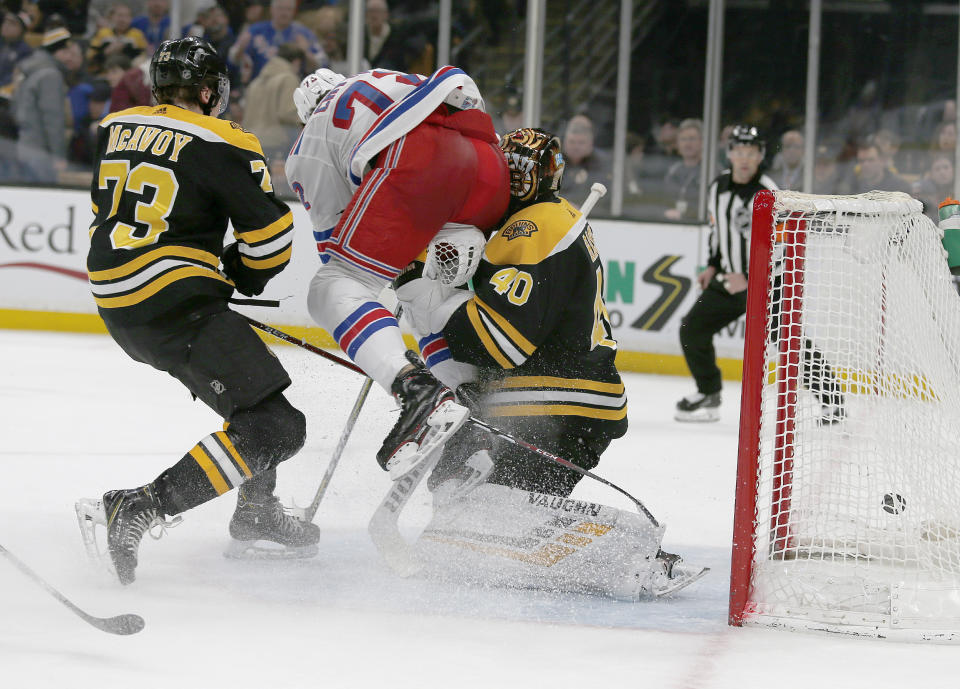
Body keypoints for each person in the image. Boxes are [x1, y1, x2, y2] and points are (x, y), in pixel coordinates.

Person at [388, 128, 702, 598]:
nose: (504, 183)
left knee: (458, 491)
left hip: (556, 399)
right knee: (495, 511)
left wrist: (423, 292)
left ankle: (630, 553)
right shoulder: (548, 218)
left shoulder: (532, 226)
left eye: (513, 174)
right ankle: (630, 556)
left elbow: (503, 342)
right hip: (579, 400)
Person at [75, 36, 319, 586]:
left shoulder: (115, 127)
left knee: (255, 399)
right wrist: (236, 277)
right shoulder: (225, 137)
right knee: (278, 427)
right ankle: (140, 505)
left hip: (117, 300)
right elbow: (273, 237)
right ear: (209, 90)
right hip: (173, 300)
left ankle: (256, 511)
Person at [285, 65, 510, 480]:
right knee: (423, 290)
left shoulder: (310, 141)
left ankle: (418, 393)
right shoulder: (381, 77)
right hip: (488, 168)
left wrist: (367, 292)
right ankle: (475, 401)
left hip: (422, 163)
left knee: (334, 287)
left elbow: (338, 251)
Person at [676, 125, 844, 423]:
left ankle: (832, 401)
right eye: (738, 151)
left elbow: (780, 245)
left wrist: (750, 276)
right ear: (729, 154)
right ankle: (709, 392)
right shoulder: (717, 187)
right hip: (730, 281)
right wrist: (713, 264)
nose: (744, 158)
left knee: (788, 339)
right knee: (692, 330)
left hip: (767, 282)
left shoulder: (769, 192)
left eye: (750, 152)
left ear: (760, 156)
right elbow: (718, 231)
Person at [12, 26, 71, 183]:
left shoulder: (29, 71)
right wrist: (58, 155)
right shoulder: (50, 75)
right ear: (58, 51)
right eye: (67, 52)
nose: (70, 58)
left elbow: (14, 109)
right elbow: (53, 118)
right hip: (41, 153)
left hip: (23, 146)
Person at [229, 0, 324, 82]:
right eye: (280, 8)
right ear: (271, 9)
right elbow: (232, 60)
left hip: (292, 89)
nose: (284, 13)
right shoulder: (255, 31)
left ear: (294, 11)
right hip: (260, 87)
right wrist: (241, 48)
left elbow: (322, 65)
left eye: (288, 9)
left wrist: (305, 52)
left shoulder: (303, 33)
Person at [561, 113, 611, 214]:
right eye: (572, 142)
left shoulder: (603, 163)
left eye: (581, 142)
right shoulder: (552, 161)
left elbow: (606, 197)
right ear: (564, 142)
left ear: (590, 143)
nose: (576, 147)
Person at [86, 2, 148, 75]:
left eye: (126, 16)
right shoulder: (102, 33)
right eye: (119, 15)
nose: (122, 20)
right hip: (104, 74)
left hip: (129, 76)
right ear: (112, 17)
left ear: (131, 18)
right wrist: (106, 52)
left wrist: (124, 49)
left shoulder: (137, 35)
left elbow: (143, 58)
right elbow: (90, 57)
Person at [662, 117, 703, 220]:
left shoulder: (712, 171)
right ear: (677, 144)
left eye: (692, 138)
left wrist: (687, 214)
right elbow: (663, 200)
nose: (687, 144)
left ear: (702, 142)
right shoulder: (672, 171)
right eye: (683, 139)